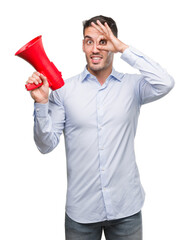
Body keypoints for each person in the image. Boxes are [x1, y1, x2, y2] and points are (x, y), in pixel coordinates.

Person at [26, 15, 175, 240]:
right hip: (81, 213)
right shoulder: (64, 91)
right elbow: (46, 145)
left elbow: (165, 82)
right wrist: (41, 103)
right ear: (82, 46)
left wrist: (124, 48)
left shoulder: (132, 86)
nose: (95, 49)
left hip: (127, 210)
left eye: (102, 42)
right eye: (89, 41)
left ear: (113, 44)